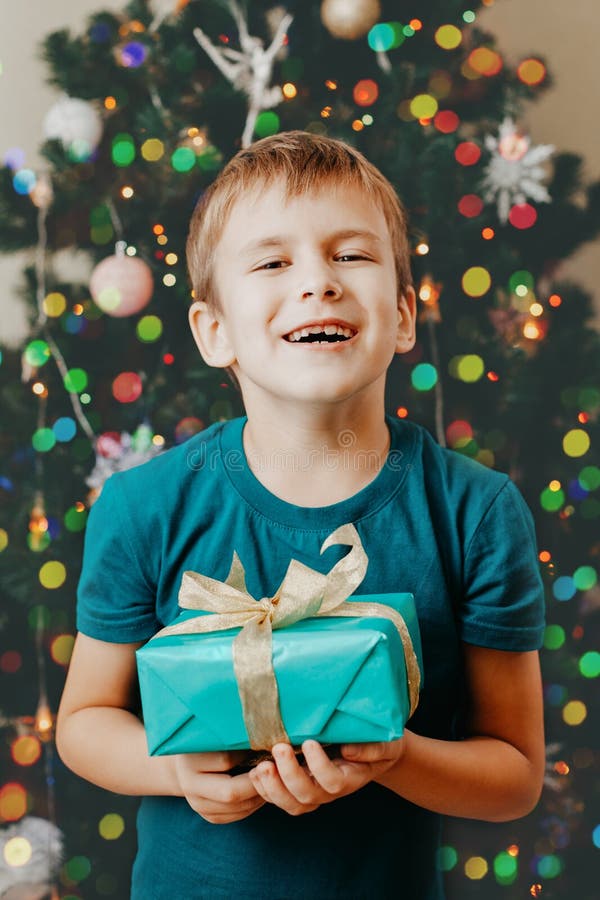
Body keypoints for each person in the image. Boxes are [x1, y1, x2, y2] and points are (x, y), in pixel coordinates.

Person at [56, 131, 546, 899]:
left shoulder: (476, 514)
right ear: (214, 331)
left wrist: (397, 758)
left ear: (405, 315)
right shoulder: (143, 507)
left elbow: (514, 776)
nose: (318, 282)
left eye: (352, 255)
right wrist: (177, 770)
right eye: (273, 262)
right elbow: (83, 722)